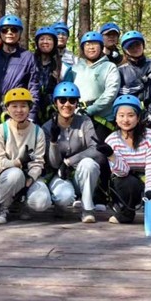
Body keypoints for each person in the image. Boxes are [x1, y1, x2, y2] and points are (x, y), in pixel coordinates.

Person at [95, 95, 151, 224]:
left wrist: (150, 190)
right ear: (115, 117)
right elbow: (122, 171)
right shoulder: (111, 140)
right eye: (121, 115)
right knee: (128, 183)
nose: (125, 120)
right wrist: (111, 155)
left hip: (147, 177)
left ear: (138, 117)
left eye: (130, 115)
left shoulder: (150, 137)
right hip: (125, 179)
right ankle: (127, 212)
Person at [42, 82, 103, 223]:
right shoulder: (47, 127)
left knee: (89, 164)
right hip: (59, 175)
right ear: (55, 103)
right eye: (62, 100)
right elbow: (54, 163)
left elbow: (95, 149)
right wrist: (53, 142)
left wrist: (69, 161)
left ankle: (87, 209)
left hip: (79, 174)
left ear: (77, 103)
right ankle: (59, 205)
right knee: (64, 197)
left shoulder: (85, 122)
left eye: (72, 100)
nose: (67, 104)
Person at [0, 88, 51, 224]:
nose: (19, 110)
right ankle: (3, 208)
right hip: (6, 176)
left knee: (42, 202)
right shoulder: (0, 130)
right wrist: (18, 162)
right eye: (14, 106)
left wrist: (30, 179)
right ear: (7, 108)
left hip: (29, 176)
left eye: (23, 106)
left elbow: (38, 162)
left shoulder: (38, 131)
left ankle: (23, 204)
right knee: (15, 174)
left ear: (30, 108)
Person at [0, 15, 40, 123]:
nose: (9, 33)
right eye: (5, 30)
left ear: (19, 33)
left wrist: (31, 115)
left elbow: (33, 88)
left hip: (16, 111)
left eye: (14, 30)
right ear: (0, 33)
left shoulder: (27, 57)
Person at [64, 31, 120, 141]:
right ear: (83, 48)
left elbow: (110, 93)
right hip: (77, 117)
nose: (91, 47)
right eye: (87, 44)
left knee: (98, 149)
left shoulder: (110, 67)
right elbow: (66, 90)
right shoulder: (75, 68)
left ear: (101, 47)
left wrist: (90, 110)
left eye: (95, 44)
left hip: (101, 120)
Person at [118, 30, 151, 135]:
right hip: (130, 120)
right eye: (130, 46)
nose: (135, 48)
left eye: (137, 44)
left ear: (143, 45)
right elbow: (119, 97)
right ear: (125, 50)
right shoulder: (121, 71)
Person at [33, 27, 61, 123]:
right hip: (33, 107)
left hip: (53, 110)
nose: (45, 42)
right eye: (42, 39)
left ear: (54, 43)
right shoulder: (30, 62)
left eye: (49, 39)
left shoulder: (62, 66)